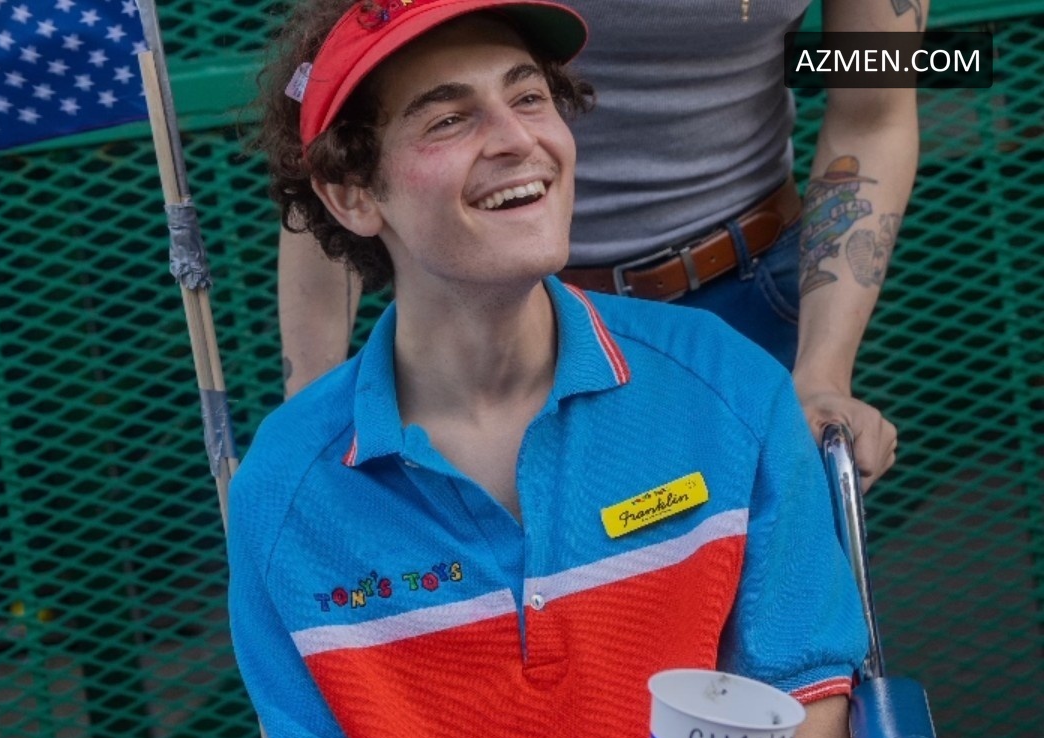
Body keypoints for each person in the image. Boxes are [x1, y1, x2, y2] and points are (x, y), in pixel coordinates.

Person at [231, 1, 876, 738]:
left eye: (529, 97)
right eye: (449, 119)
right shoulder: (287, 492)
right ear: (351, 194)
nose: (516, 140)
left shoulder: (731, 389)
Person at [274, 0, 924, 493]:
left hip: (751, 288)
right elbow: (345, 135)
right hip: (511, 316)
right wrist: (311, 410)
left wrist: (822, 374)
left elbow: (874, 113)